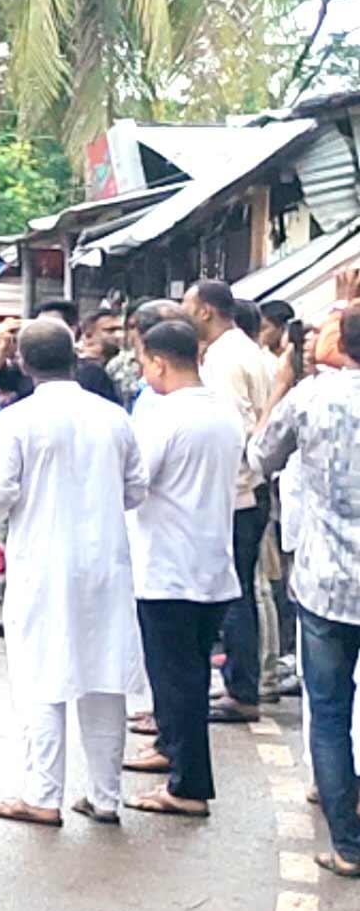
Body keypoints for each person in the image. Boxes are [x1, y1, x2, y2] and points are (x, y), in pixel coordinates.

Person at [0, 319, 148, 829]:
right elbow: (136, 490)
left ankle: (42, 796)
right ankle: (105, 796)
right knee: (103, 676)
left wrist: (12, 516)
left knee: (40, 676)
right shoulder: (114, 416)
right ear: (75, 358)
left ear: (23, 364)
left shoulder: (18, 420)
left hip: (42, 563)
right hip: (106, 563)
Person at [118, 317, 241, 819]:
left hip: (168, 567)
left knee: (179, 679)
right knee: (182, 672)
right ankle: (170, 748)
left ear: (160, 362)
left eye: (145, 361)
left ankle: (189, 786)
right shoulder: (225, 413)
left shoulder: (164, 418)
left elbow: (134, 484)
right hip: (213, 563)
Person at [255, 304, 360, 874]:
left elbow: (260, 455)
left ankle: (348, 844)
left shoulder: (310, 398)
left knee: (329, 711)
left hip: (326, 581)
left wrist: (279, 387)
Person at [192, 279, 283, 723]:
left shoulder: (227, 359)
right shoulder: (241, 351)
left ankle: (242, 688)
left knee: (235, 594)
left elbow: (235, 429)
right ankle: (241, 683)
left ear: (206, 310)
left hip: (238, 492)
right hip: (249, 487)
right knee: (240, 590)